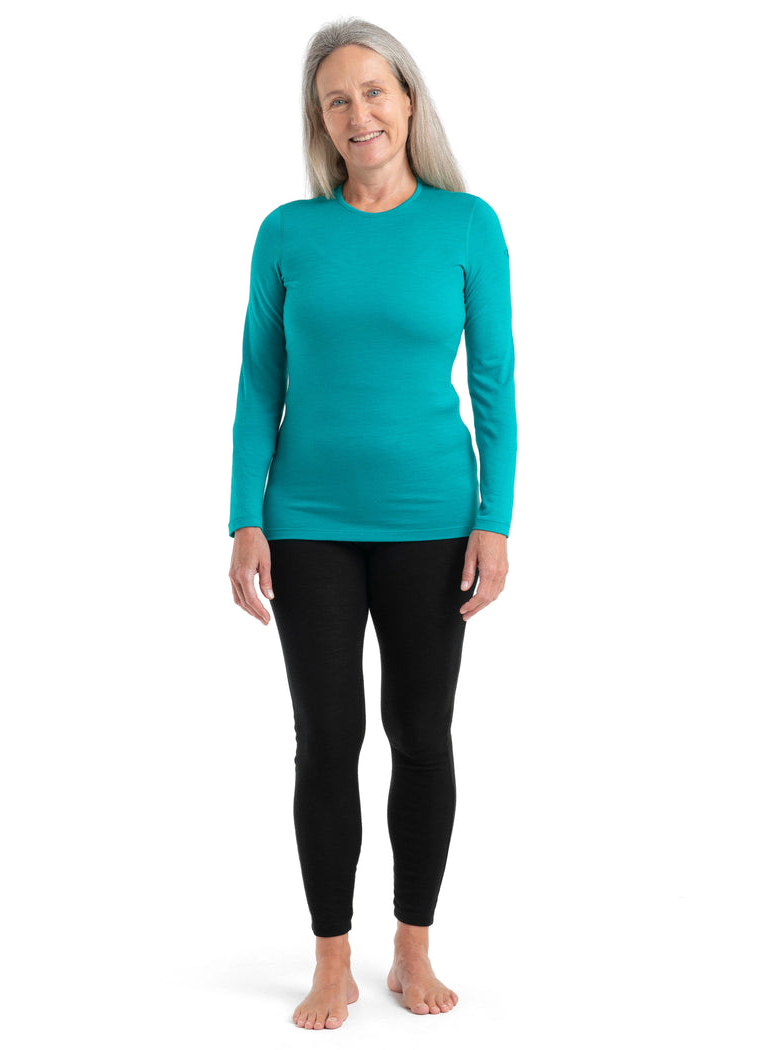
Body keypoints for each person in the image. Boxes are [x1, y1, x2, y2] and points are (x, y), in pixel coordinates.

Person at [228, 16, 517, 1031]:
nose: (358, 114)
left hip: (433, 519)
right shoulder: (287, 233)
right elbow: (258, 382)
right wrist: (244, 517)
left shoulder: (467, 225)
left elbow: (495, 383)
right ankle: (331, 958)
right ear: (321, 121)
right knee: (326, 740)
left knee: (421, 736)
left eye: (373, 91)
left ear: (408, 100)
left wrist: (494, 519)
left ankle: (412, 947)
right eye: (335, 100)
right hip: (306, 520)